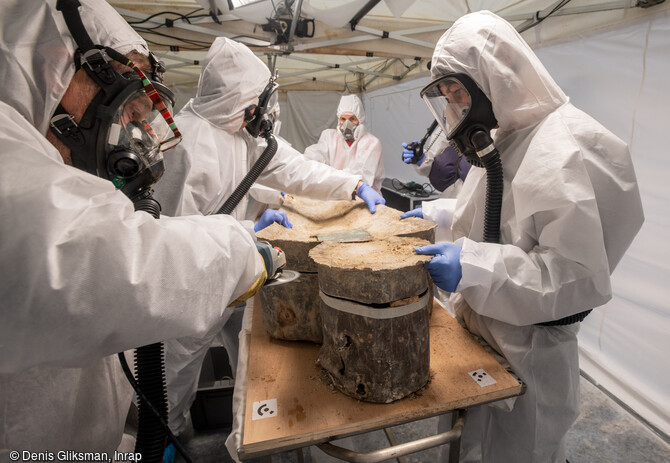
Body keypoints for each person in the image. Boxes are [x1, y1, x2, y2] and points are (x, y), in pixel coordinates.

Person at [0, 0, 279, 456]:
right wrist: (242, 245)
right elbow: (88, 260)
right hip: (178, 295)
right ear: (53, 63)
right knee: (172, 383)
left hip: (74, 432)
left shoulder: (46, 159)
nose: (132, 129)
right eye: (129, 109)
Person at [411, 11, 644, 463]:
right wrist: (423, 218)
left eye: (458, 91)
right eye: (447, 96)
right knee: (466, 447)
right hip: (481, 334)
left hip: (529, 354)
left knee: (520, 451)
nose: (456, 108)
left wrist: (472, 267)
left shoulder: (573, 145)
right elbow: (482, 220)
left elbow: (574, 276)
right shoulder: (506, 138)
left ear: (493, 75)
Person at [151, 37, 386, 439]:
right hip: (185, 292)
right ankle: (163, 438)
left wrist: (353, 184)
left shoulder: (242, 136)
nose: (267, 109)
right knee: (170, 379)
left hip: (229, 272)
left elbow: (297, 169)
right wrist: (245, 231)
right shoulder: (184, 144)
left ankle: (251, 425)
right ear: (242, 98)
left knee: (246, 349)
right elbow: (171, 240)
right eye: (261, 99)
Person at [303, 94, 386, 193]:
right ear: (339, 120)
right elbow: (313, 157)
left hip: (363, 197)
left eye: (352, 119)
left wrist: (327, 177)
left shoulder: (371, 143)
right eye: (343, 119)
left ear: (360, 120)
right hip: (336, 194)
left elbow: (361, 176)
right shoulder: (330, 137)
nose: (347, 124)